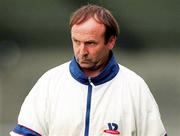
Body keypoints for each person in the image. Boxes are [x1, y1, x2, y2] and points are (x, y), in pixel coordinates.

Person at [10, 4, 167, 136]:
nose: (81, 51)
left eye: (90, 43)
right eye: (76, 41)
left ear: (111, 41)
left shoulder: (135, 87)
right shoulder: (49, 83)